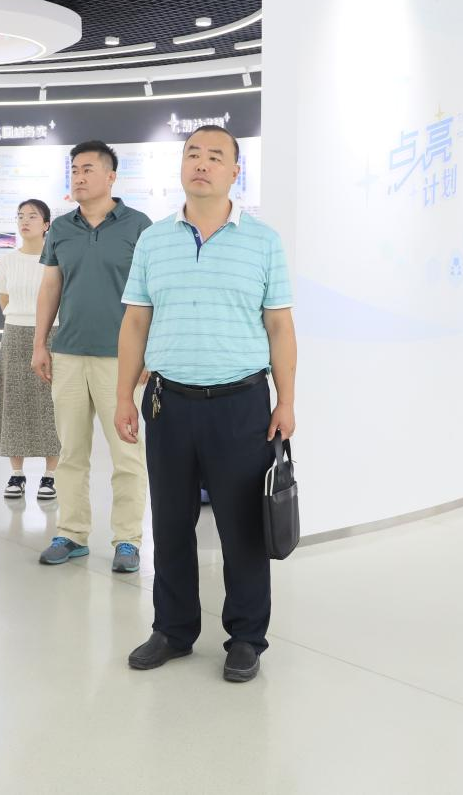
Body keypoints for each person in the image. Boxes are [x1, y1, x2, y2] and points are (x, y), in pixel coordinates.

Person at [114, 126, 297, 684]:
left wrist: (286, 401)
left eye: (216, 156)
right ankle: (173, 630)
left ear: (235, 172)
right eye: (193, 153)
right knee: (171, 523)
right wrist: (124, 395)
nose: (202, 163)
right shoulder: (154, 240)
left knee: (242, 529)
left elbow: (279, 326)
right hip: (167, 403)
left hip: (241, 404)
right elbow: (136, 321)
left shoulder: (262, 241)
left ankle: (245, 638)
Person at [31, 141, 152, 572]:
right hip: (68, 355)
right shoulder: (62, 228)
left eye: (87, 169)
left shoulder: (140, 226)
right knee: (70, 452)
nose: (79, 177)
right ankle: (71, 533)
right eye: (74, 170)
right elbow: (51, 287)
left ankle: (128, 540)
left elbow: (155, 293)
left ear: (111, 176)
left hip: (122, 360)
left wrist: (150, 352)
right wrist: (40, 343)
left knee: (127, 456)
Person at [0, 199, 62, 500]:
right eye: (20, 216)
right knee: (14, 402)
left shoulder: (57, 259)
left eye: (32, 216)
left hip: (53, 333)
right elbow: (5, 301)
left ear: (46, 224)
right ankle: (16, 473)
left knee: (52, 404)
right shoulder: (7, 261)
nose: (25, 221)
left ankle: (50, 475)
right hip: (15, 334)